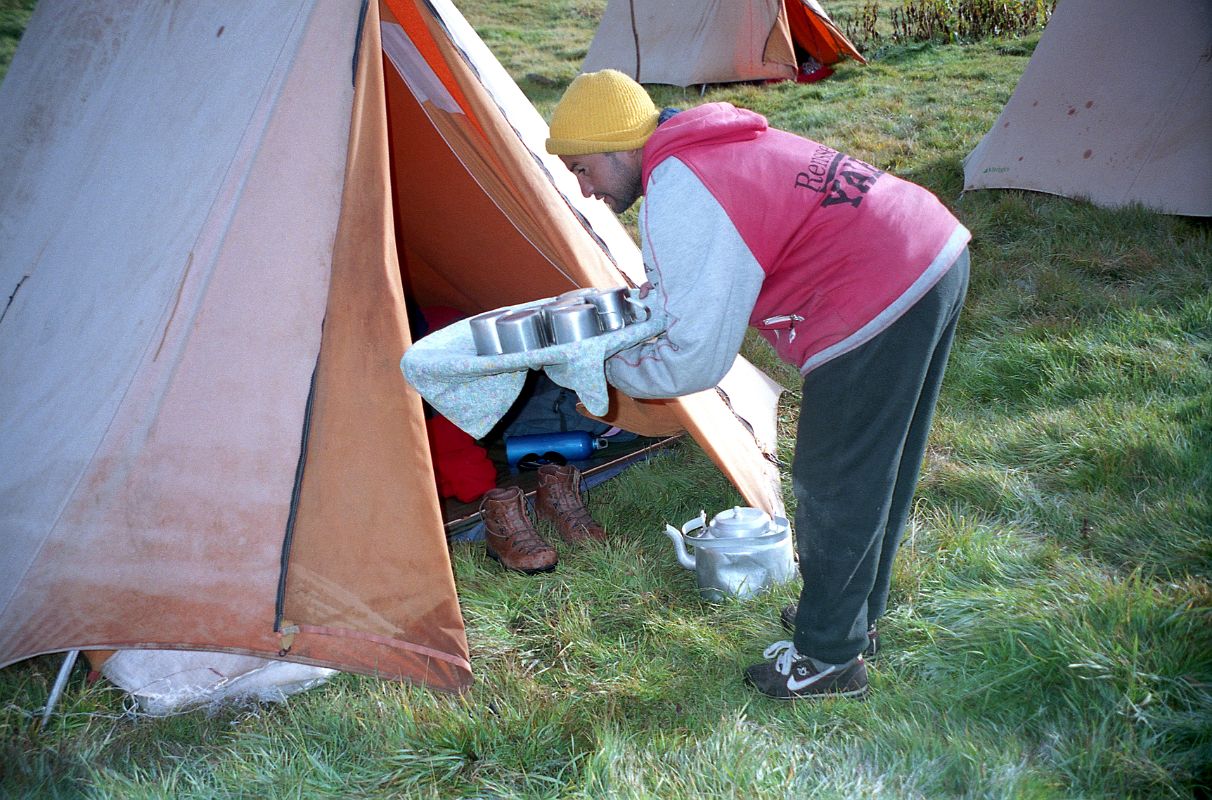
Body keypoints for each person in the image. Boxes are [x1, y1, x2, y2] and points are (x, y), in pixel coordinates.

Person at [544, 70, 971, 700]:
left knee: (835, 479)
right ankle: (850, 619)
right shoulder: (703, 146)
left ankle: (829, 659)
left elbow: (694, 363)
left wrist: (598, 369)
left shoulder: (682, 186)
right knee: (880, 464)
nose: (584, 190)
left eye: (582, 169)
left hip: (878, 286)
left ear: (617, 147)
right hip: (930, 246)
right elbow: (688, 287)